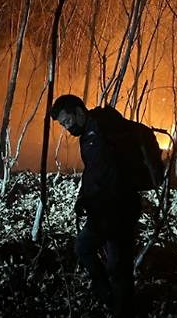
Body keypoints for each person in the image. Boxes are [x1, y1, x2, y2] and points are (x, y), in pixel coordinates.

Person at [50, 94, 141, 318]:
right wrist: (83, 199)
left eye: (68, 122)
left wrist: (94, 203)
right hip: (107, 211)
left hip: (117, 210)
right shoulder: (89, 134)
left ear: (79, 112)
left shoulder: (100, 132)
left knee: (116, 266)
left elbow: (108, 176)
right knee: (101, 257)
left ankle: (118, 307)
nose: (67, 129)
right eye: (63, 125)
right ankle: (112, 300)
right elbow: (93, 173)